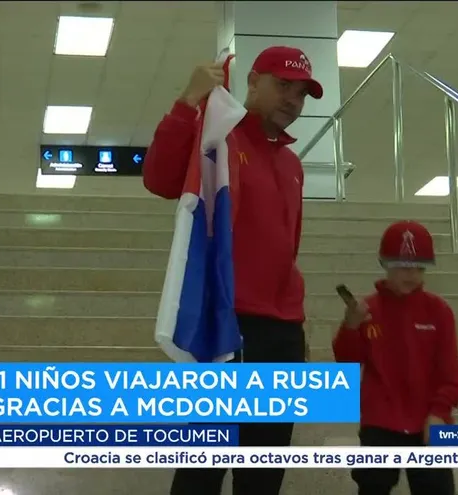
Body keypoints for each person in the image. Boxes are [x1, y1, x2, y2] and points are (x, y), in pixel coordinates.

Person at [142, 46, 323, 495]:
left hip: (283, 330)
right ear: (254, 82)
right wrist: (188, 102)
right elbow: (161, 179)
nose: (292, 101)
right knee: (205, 464)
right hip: (230, 323)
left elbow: (287, 247)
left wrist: (295, 319)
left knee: (264, 470)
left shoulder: (292, 164)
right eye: (283, 86)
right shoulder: (221, 136)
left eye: (301, 93)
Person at [332, 220, 458, 495]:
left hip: (429, 420)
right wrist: (351, 327)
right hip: (380, 422)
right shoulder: (369, 311)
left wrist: (439, 412)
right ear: (385, 264)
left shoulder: (438, 311)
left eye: (418, 267)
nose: (411, 274)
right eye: (402, 265)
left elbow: (451, 377)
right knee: (373, 485)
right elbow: (345, 362)